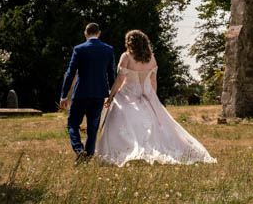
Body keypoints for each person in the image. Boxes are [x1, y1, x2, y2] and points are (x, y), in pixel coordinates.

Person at [95, 29, 216, 166]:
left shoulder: (126, 57)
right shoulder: (151, 58)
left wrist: (111, 96)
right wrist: (153, 98)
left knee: (120, 118)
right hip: (147, 94)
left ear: (129, 43)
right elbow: (153, 81)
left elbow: (120, 79)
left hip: (128, 94)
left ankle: (126, 149)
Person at [59, 22, 116, 162]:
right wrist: (111, 94)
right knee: (93, 127)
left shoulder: (79, 49)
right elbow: (111, 74)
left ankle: (79, 149)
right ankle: (88, 156)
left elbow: (71, 72)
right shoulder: (108, 50)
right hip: (99, 94)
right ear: (99, 33)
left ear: (85, 33)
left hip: (81, 93)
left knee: (72, 123)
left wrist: (64, 95)